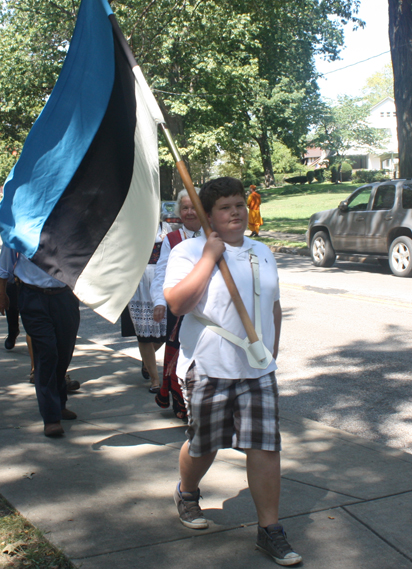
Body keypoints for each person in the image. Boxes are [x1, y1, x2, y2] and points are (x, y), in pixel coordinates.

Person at [164, 177, 301, 566]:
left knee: (265, 445)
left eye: (239, 204)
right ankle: (187, 492)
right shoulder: (189, 251)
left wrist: (269, 354)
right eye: (225, 207)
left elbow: (273, 306)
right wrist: (210, 257)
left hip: (257, 370)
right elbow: (177, 304)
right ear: (209, 216)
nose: (236, 212)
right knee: (205, 442)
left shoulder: (262, 251)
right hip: (209, 365)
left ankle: (270, 530)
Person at [0, 244, 80, 438]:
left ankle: (59, 404)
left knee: (64, 351)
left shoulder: (67, 217)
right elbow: (7, 257)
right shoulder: (22, 221)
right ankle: (51, 417)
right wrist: (2, 292)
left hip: (65, 295)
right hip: (32, 295)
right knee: (46, 352)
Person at [150, 189, 201, 421]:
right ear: (179, 212)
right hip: (179, 308)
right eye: (185, 208)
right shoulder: (172, 240)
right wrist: (160, 301)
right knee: (180, 355)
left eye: (194, 207)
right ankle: (181, 403)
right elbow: (162, 272)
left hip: (206, 308)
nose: (190, 212)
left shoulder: (214, 236)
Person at [122, 221, 171, 393]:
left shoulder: (165, 227)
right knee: (144, 334)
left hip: (160, 278)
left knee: (162, 333)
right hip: (139, 280)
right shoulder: (134, 224)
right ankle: (155, 379)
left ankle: (146, 360)